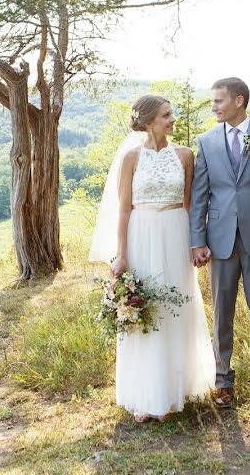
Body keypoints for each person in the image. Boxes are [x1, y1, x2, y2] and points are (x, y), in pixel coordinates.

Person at [89, 94, 215, 422]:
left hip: (176, 233)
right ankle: (144, 395)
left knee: (176, 308)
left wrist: (196, 244)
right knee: (145, 312)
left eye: (172, 114)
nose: (173, 119)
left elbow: (191, 206)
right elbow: (123, 209)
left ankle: (174, 392)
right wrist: (121, 255)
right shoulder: (131, 158)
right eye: (166, 115)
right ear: (148, 122)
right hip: (141, 234)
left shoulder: (186, 156)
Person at [190, 77, 250, 407]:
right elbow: (200, 195)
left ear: (239, 101)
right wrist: (197, 241)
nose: (214, 107)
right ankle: (222, 381)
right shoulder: (205, 142)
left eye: (219, 101)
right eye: (212, 102)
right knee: (221, 313)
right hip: (219, 242)